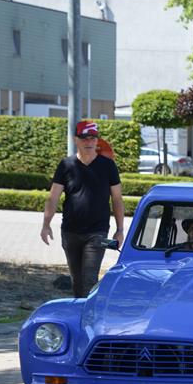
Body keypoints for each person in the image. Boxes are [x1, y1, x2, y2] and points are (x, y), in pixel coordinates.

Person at [41, 121, 125, 298]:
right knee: (77, 282)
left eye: (93, 138)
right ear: (75, 140)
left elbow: (117, 199)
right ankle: (80, 310)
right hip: (70, 231)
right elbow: (53, 197)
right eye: (85, 138)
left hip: (97, 232)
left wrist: (120, 230)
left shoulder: (108, 165)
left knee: (89, 280)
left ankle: (88, 312)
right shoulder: (66, 165)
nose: (89, 142)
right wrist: (46, 224)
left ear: (97, 141)